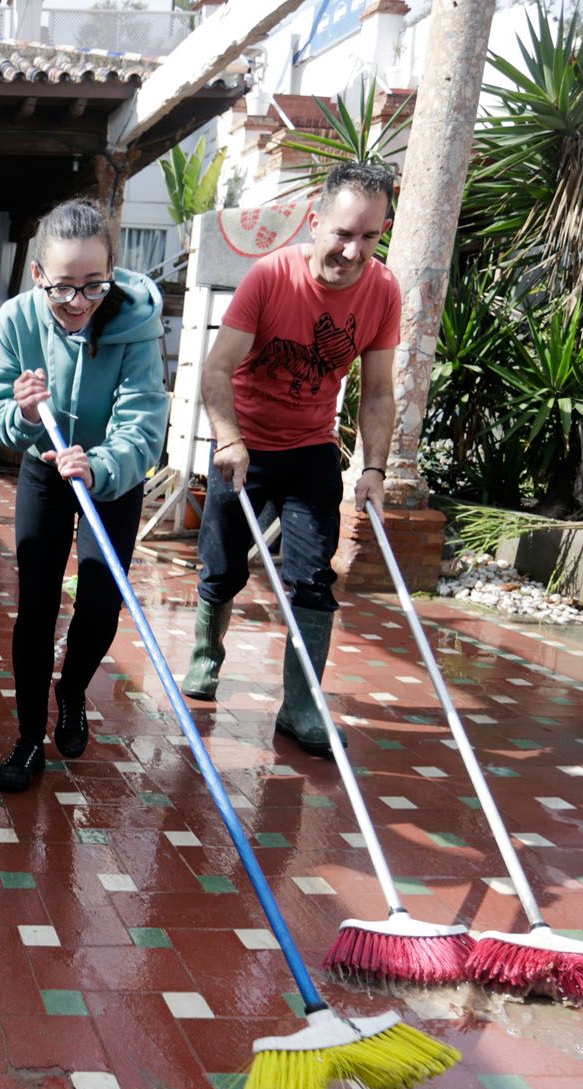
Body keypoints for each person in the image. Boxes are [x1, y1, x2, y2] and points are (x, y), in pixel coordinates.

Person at [181, 161, 400, 759]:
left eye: (370, 236)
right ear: (315, 223)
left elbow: (378, 391)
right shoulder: (269, 278)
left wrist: (373, 470)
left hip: (311, 448)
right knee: (223, 567)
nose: (355, 251)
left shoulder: (382, 290)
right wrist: (228, 439)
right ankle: (206, 657)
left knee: (311, 578)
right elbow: (216, 369)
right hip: (245, 443)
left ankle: (301, 705)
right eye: (343, 233)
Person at [0, 199, 169, 793]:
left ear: (112, 272)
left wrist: (102, 464)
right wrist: (27, 415)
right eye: (63, 288)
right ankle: (28, 737)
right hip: (45, 467)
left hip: (110, 474)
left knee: (98, 599)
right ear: (39, 276)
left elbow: (143, 422)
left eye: (94, 285)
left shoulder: (136, 321)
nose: (79, 303)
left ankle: (72, 691)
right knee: (36, 603)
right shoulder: (16, 319)